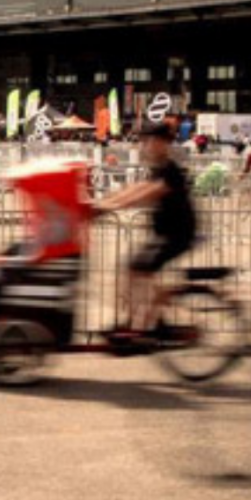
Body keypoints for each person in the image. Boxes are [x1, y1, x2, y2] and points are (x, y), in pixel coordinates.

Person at [97, 121, 198, 339]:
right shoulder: (159, 168)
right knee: (136, 271)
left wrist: (109, 206)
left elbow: (147, 193)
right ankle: (148, 321)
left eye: (149, 141)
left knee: (135, 269)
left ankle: (138, 325)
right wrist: (105, 201)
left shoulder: (170, 170)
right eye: (144, 141)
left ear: (162, 143)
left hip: (176, 234)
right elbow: (137, 188)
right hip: (165, 234)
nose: (145, 146)